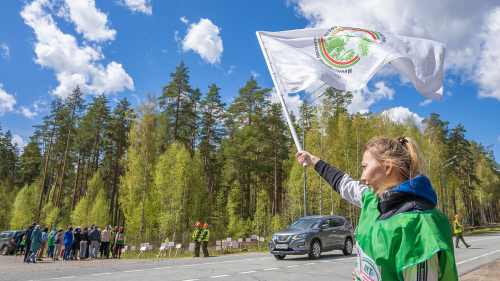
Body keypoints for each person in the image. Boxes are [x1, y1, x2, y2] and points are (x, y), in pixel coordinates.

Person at [296, 136, 458, 280]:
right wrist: (313, 161)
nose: (362, 176)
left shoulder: (417, 226)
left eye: (365, 167)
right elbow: (344, 184)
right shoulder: (373, 200)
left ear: (388, 167)